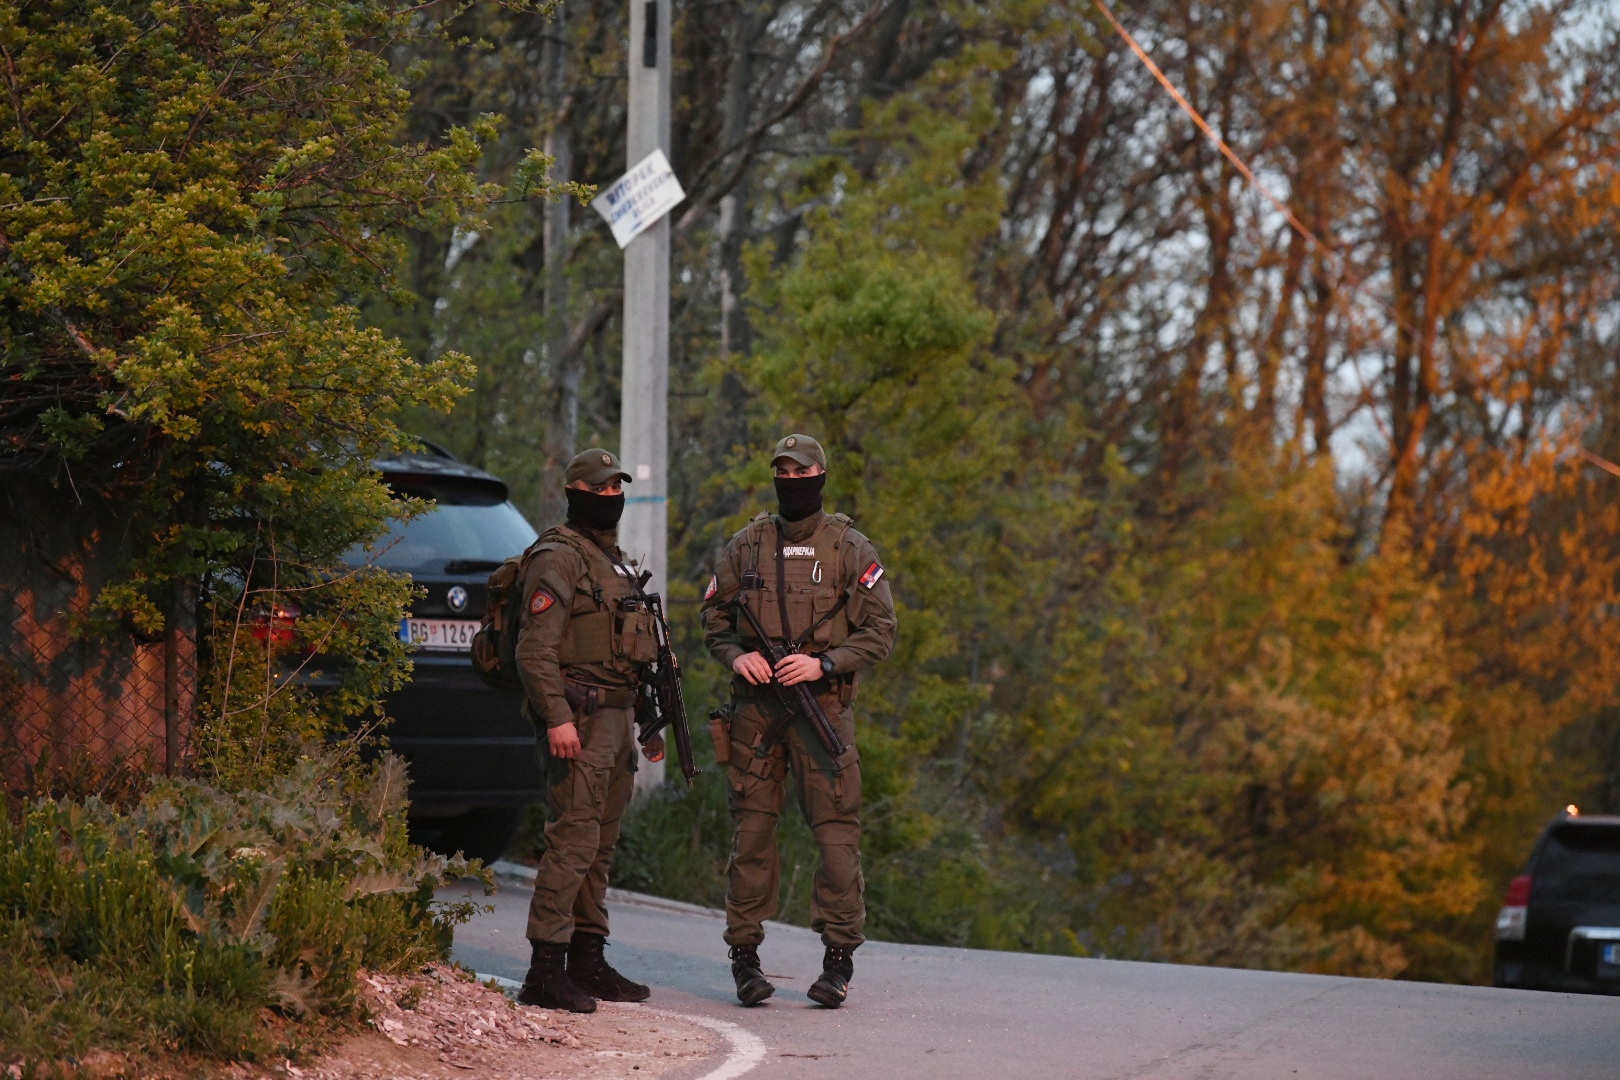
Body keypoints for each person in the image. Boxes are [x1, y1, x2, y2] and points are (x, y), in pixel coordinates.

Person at [700, 433, 897, 1008]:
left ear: (821, 475)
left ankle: (838, 961)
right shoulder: (747, 545)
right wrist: (737, 657)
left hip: (822, 711)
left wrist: (824, 663)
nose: (791, 481)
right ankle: (745, 958)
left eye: (801, 472)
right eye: (782, 473)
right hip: (757, 713)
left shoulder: (849, 548)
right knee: (751, 837)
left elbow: (881, 631)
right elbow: (714, 619)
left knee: (836, 838)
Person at [513, 447, 666, 1013]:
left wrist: (647, 722)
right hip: (578, 718)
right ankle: (544, 971)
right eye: (598, 489)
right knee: (572, 842)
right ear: (574, 492)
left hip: (617, 719)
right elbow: (534, 650)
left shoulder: (613, 561)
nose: (609, 498)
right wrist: (556, 717)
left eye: (615, 489)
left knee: (599, 846)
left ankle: (587, 958)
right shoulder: (558, 557)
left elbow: (629, 655)